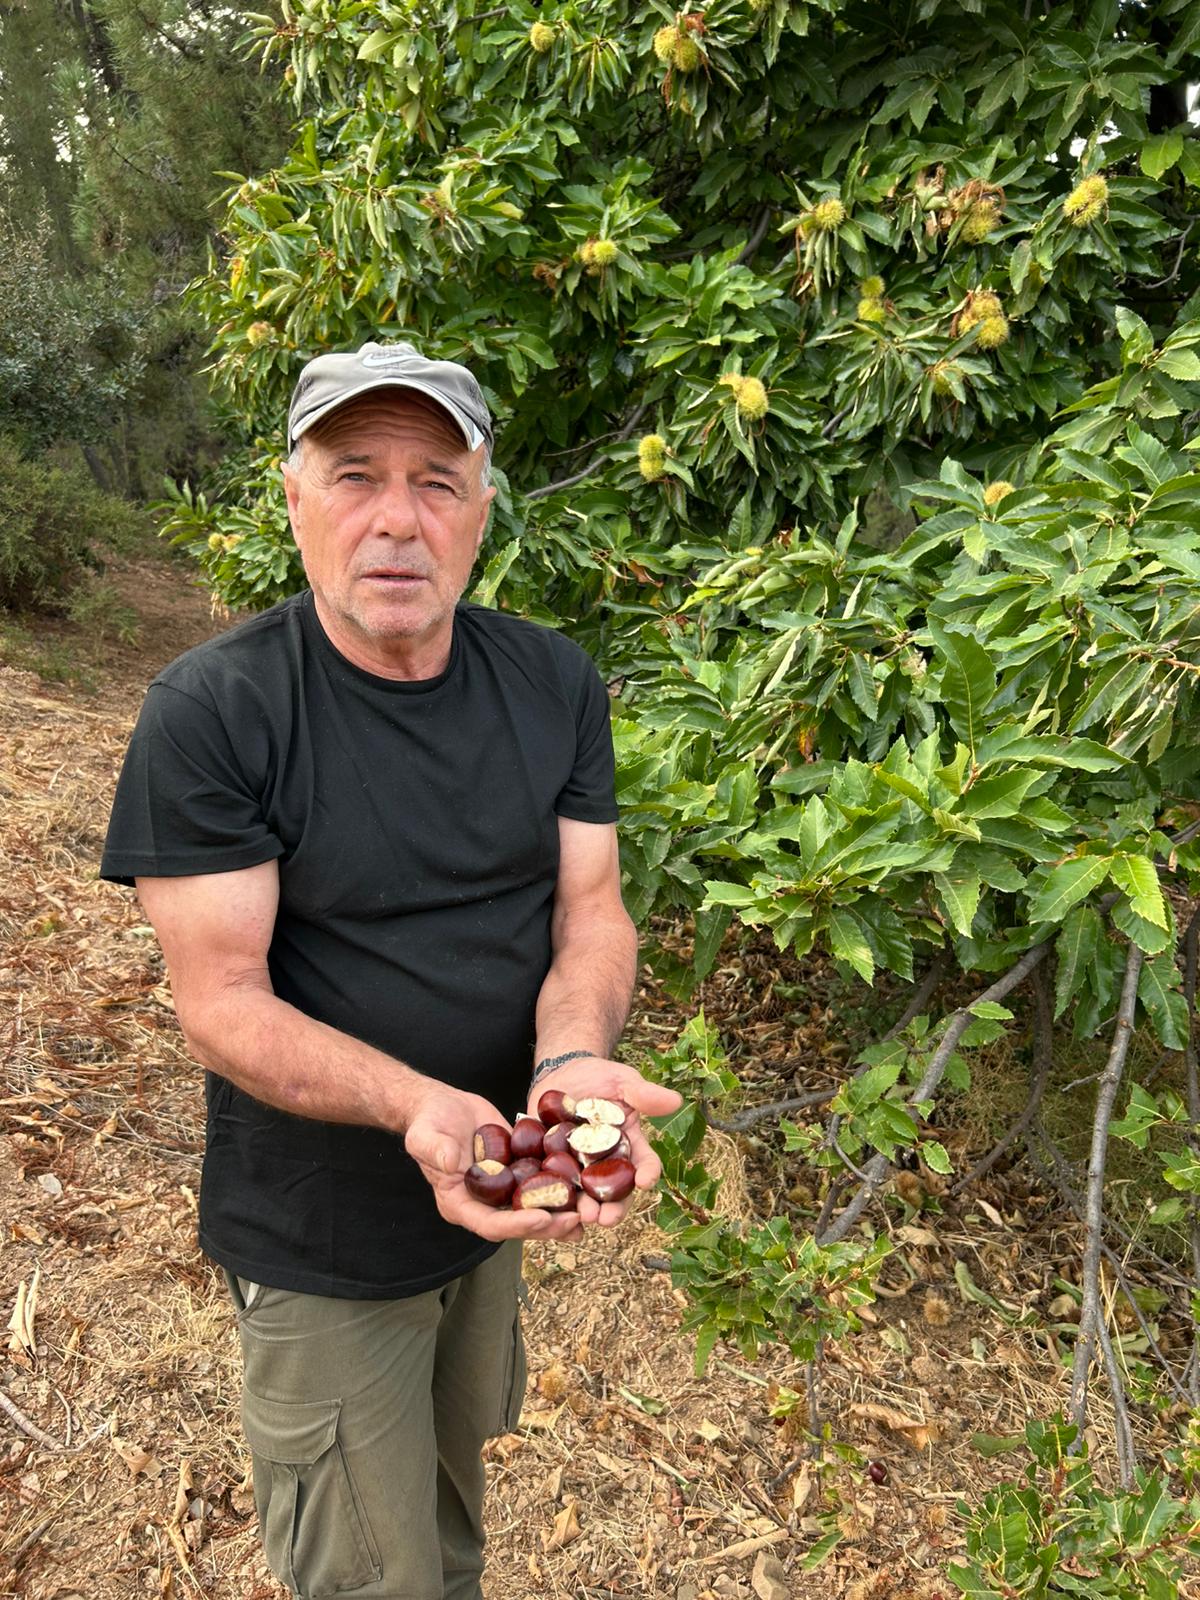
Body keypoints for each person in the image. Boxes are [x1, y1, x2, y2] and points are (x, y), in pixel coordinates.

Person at [100, 340, 682, 1600]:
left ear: (483, 509)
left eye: (437, 480)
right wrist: (416, 1106)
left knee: (450, 1512)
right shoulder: (215, 712)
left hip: (488, 1206)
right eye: (355, 474)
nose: (397, 521)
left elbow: (592, 911)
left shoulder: (552, 680)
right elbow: (222, 1002)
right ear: (294, 500)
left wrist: (573, 1055)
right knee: (370, 1576)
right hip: (323, 1230)